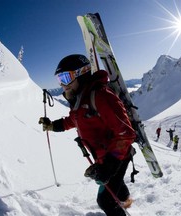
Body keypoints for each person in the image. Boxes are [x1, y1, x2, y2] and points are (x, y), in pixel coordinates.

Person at [38, 54, 136, 216]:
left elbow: (125, 134)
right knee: (113, 185)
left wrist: (109, 165)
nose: (63, 84)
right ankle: (127, 202)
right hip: (103, 158)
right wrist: (52, 126)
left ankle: (122, 205)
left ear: (81, 73)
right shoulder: (81, 99)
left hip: (118, 156)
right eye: (59, 79)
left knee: (105, 200)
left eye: (66, 77)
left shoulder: (101, 96)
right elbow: (74, 120)